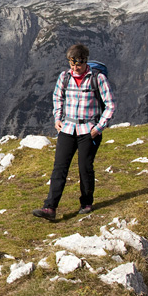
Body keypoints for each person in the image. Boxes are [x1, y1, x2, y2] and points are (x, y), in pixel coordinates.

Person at [32, 44, 116, 220]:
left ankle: (86, 203)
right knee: (59, 168)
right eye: (72, 64)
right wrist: (57, 119)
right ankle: (50, 208)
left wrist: (99, 127)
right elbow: (57, 97)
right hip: (68, 128)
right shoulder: (64, 77)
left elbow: (110, 105)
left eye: (78, 64)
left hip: (89, 130)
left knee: (85, 168)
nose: (75, 68)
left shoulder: (97, 78)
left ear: (85, 61)